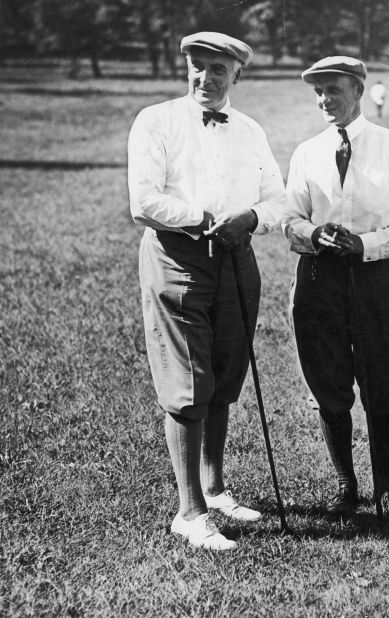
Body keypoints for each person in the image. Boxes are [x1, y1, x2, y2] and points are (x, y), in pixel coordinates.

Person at [128, 32, 286, 551]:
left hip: (238, 261)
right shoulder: (157, 120)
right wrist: (201, 217)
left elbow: (277, 199)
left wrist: (254, 218)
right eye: (197, 67)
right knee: (188, 381)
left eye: (218, 70)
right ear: (186, 67)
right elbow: (144, 202)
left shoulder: (249, 130)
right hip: (179, 258)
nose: (205, 78)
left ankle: (215, 488)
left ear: (237, 75)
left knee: (224, 374)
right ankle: (189, 511)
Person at [283, 56, 389, 520]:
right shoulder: (306, 152)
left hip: (379, 278)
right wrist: (312, 233)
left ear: (359, 91)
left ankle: (386, 487)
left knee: (382, 381)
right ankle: (346, 484)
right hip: (320, 279)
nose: (325, 99)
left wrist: (364, 244)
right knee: (329, 382)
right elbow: (290, 218)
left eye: (334, 89)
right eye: (318, 91)